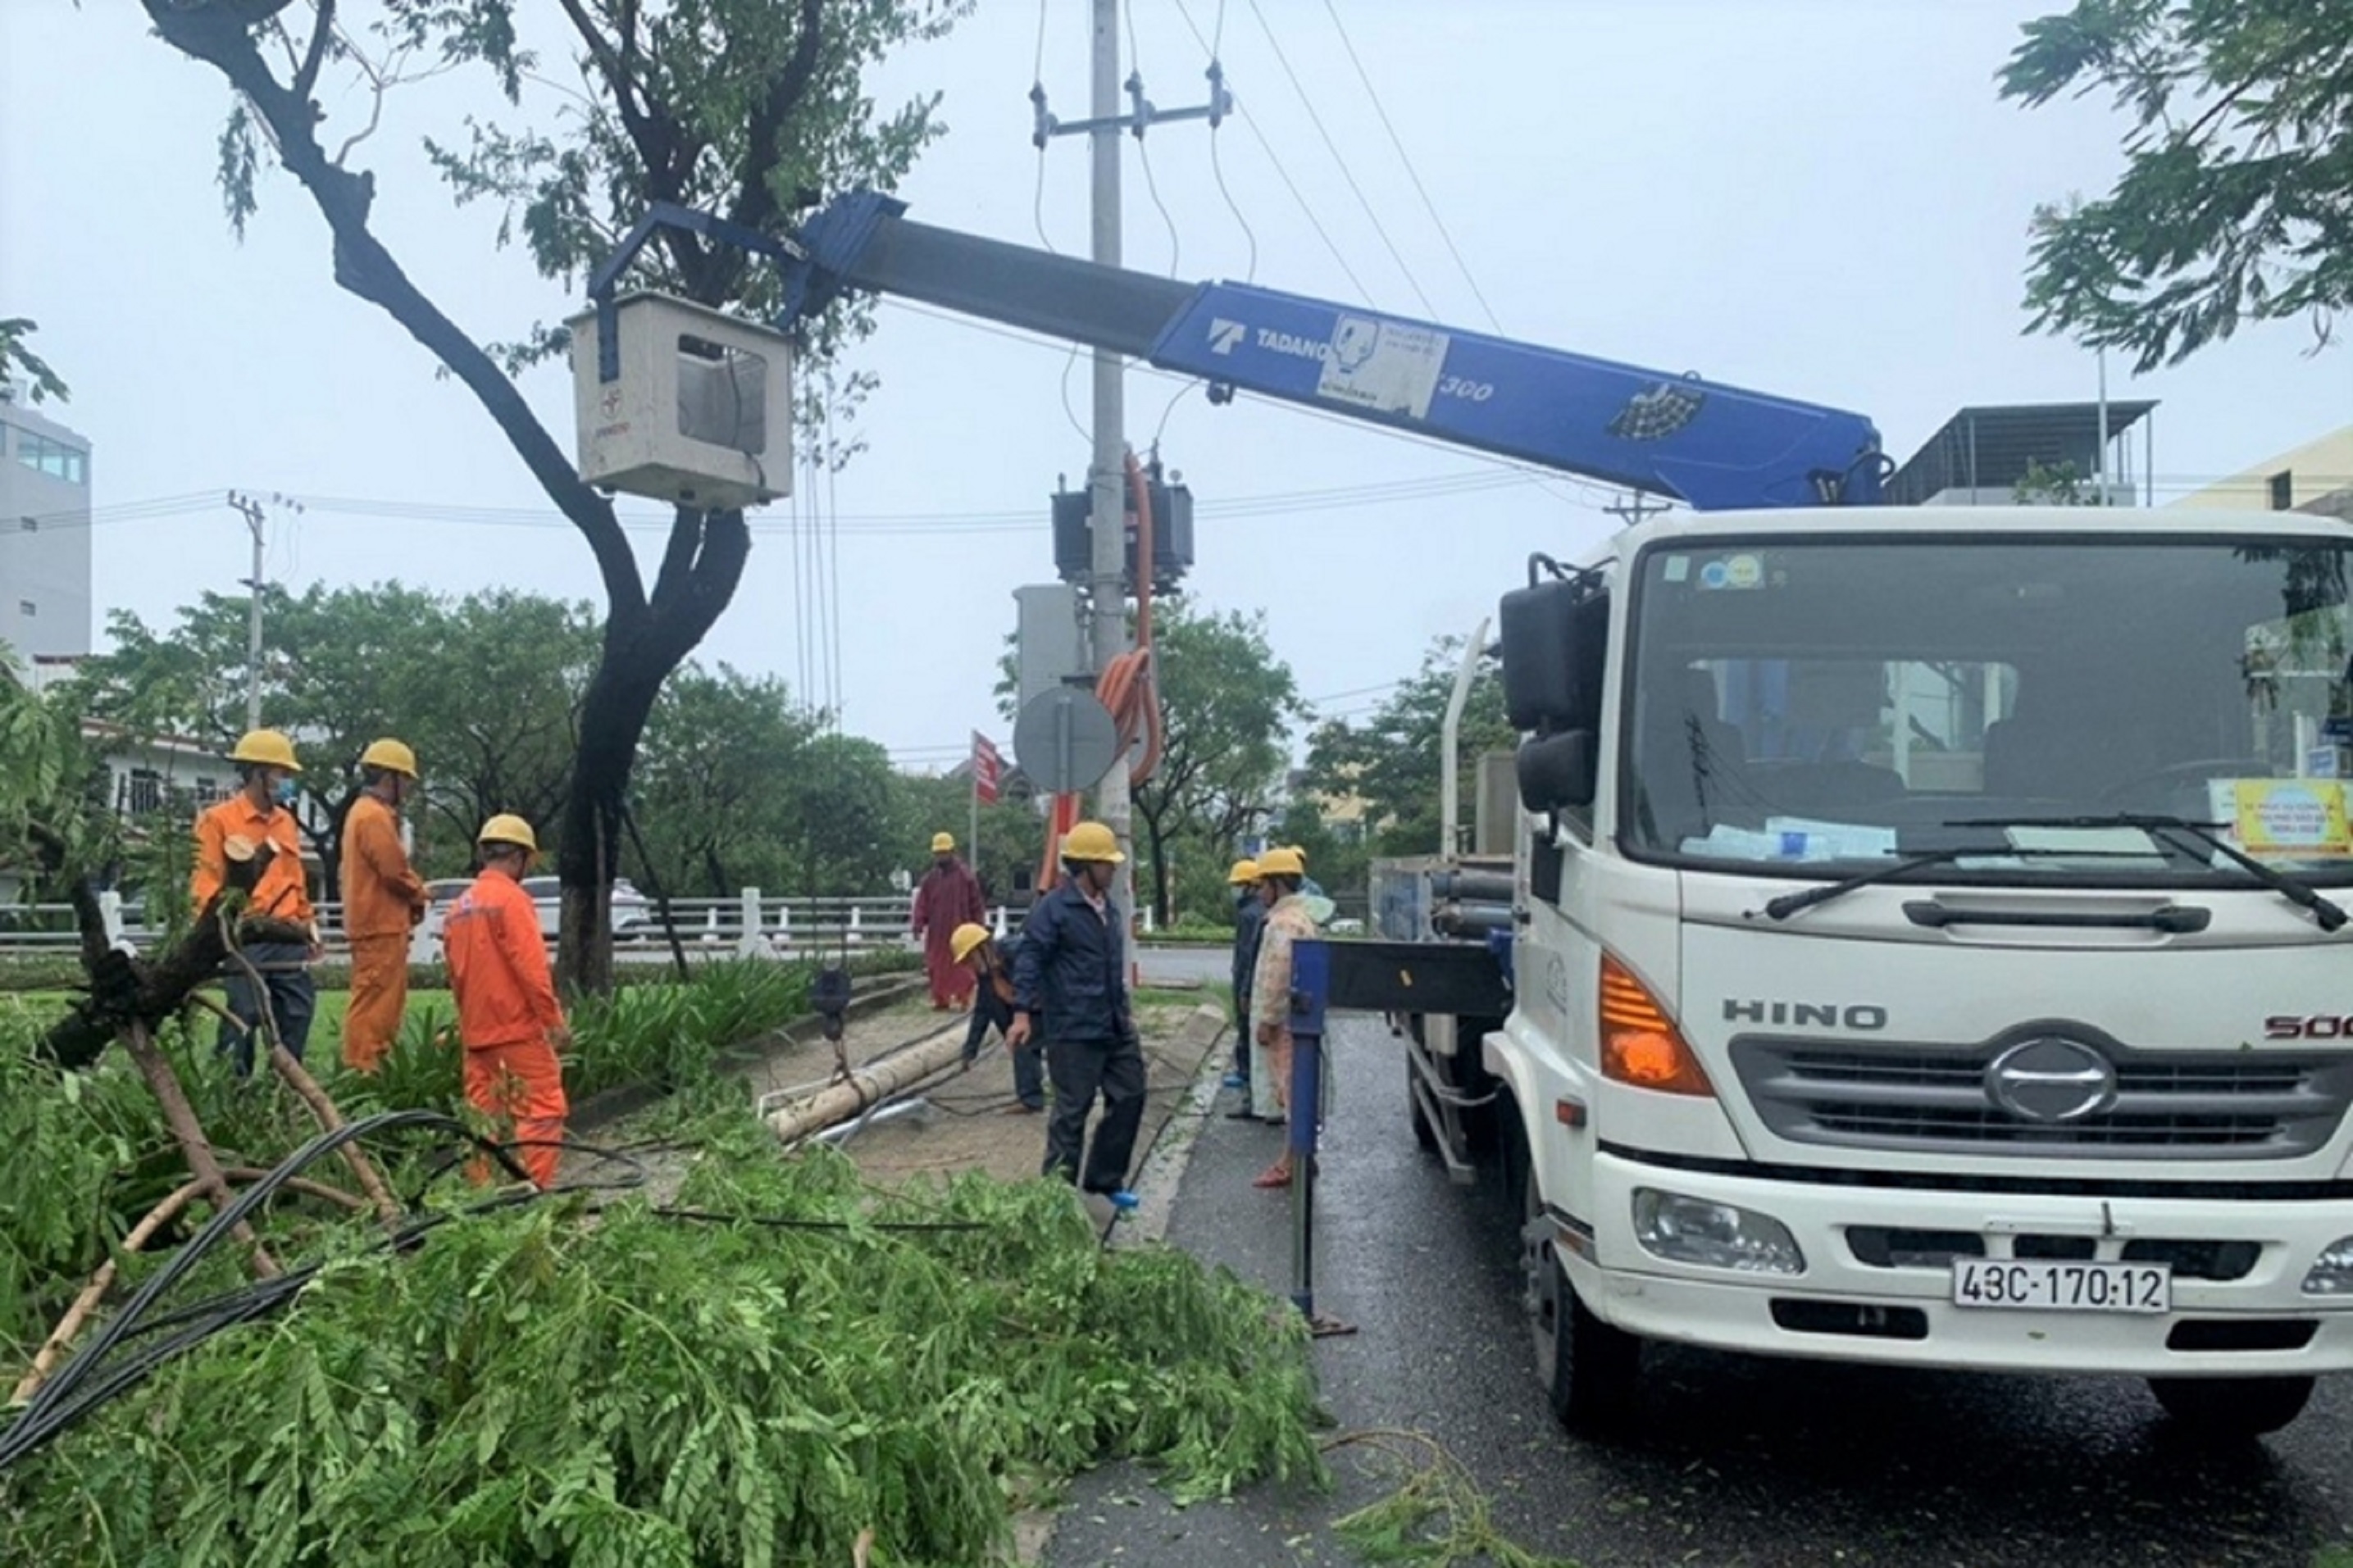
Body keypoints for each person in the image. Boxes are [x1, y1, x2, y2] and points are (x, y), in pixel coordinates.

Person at [1008, 820, 1143, 1209]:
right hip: (1073, 1028)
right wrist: (1021, 1015)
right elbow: (1029, 960)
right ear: (1085, 866)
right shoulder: (1054, 910)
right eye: (1107, 863)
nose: (1113, 869)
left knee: (1131, 1094)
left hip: (1114, 1023)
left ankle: (1104, 1178)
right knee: (1072, 1112)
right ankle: (1056, 1199)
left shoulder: (1109, 908)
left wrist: (1125, 1012)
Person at [441, 814, 569, 1189]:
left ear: (484, 853)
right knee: (543, 1111)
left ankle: (483, 1202)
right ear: (521, 858)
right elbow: (532, 971)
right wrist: (554, 1022)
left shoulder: (457, 909)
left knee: (484, 1122)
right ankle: (533, 1195)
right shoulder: (512, 901)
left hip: (477, 1036)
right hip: (517, 1031)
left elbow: (457, 978)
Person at [192, 729, 319, 1076]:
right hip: (246, 937)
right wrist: (219, 935)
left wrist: (309, 926)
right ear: (256, 772)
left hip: (287, 936)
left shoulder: (286, 823)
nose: (287, 781)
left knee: (297, 1012)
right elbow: (206, 885)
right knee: (243, 1016)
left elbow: (296, 881)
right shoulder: (218, 820)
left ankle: (286, 1092)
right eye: (281, 773)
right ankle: (233, 1092)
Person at [337, 737, 428, 1074]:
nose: (408, 787)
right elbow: (394, 871)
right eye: (405, 780)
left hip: (379, 922)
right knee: (375, 1002)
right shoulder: (373, 817)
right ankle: (365, 1067)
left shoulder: (364, 813)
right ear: (390, 778)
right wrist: (419, 893)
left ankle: (371, 1063)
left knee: (381, 1001)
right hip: (379, 924)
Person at [1249, 846, 1321, 1188]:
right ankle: (1301, 1158)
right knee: (1297, 1089)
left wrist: (1267, 1019)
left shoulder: (1283, 923)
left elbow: (1278, 975)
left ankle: (1292, 1162)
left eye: (1264, 885)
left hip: (1287, 1023)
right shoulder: (1302, 917)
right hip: (1299, 1019)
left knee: (1291, 1091)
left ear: (1278, 885)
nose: (1260, 892)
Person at [952, 920, 1045, 1113]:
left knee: (1024, 1042)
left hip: (1046, 1004)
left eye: (970, 959)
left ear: (980, 949)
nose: (970, 966)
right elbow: (982, 1013)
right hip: (1025, 1012)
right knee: (1021, 1043)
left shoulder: (1015, 951)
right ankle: (1031, 1096)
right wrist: (970, 1050)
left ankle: (1032, 1098)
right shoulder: (987, 975)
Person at [910, 831, 985, 1010]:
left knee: (962, 965)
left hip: (961, 928)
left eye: (944, 853)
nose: (941, 857)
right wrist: (918, 923)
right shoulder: (931, 879)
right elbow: (922, 903)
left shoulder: (965, 876)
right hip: (937, 931)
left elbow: (976, 903)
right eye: (938, 854)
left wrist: (978, 926)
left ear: (952, 852)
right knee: (936, 965)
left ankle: (963, 997)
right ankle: (940, 999)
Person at [1225, 858, 1263, 1106]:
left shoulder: (1250, 914)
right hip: (1246, 980)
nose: (1236, 890)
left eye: (1240, 885)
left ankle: (1249, 1087)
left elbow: (1247, 954)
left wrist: (1244, 989)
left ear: (1251, 886)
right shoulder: (1255, 910)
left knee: (1246, 1031)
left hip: (1245, 982)